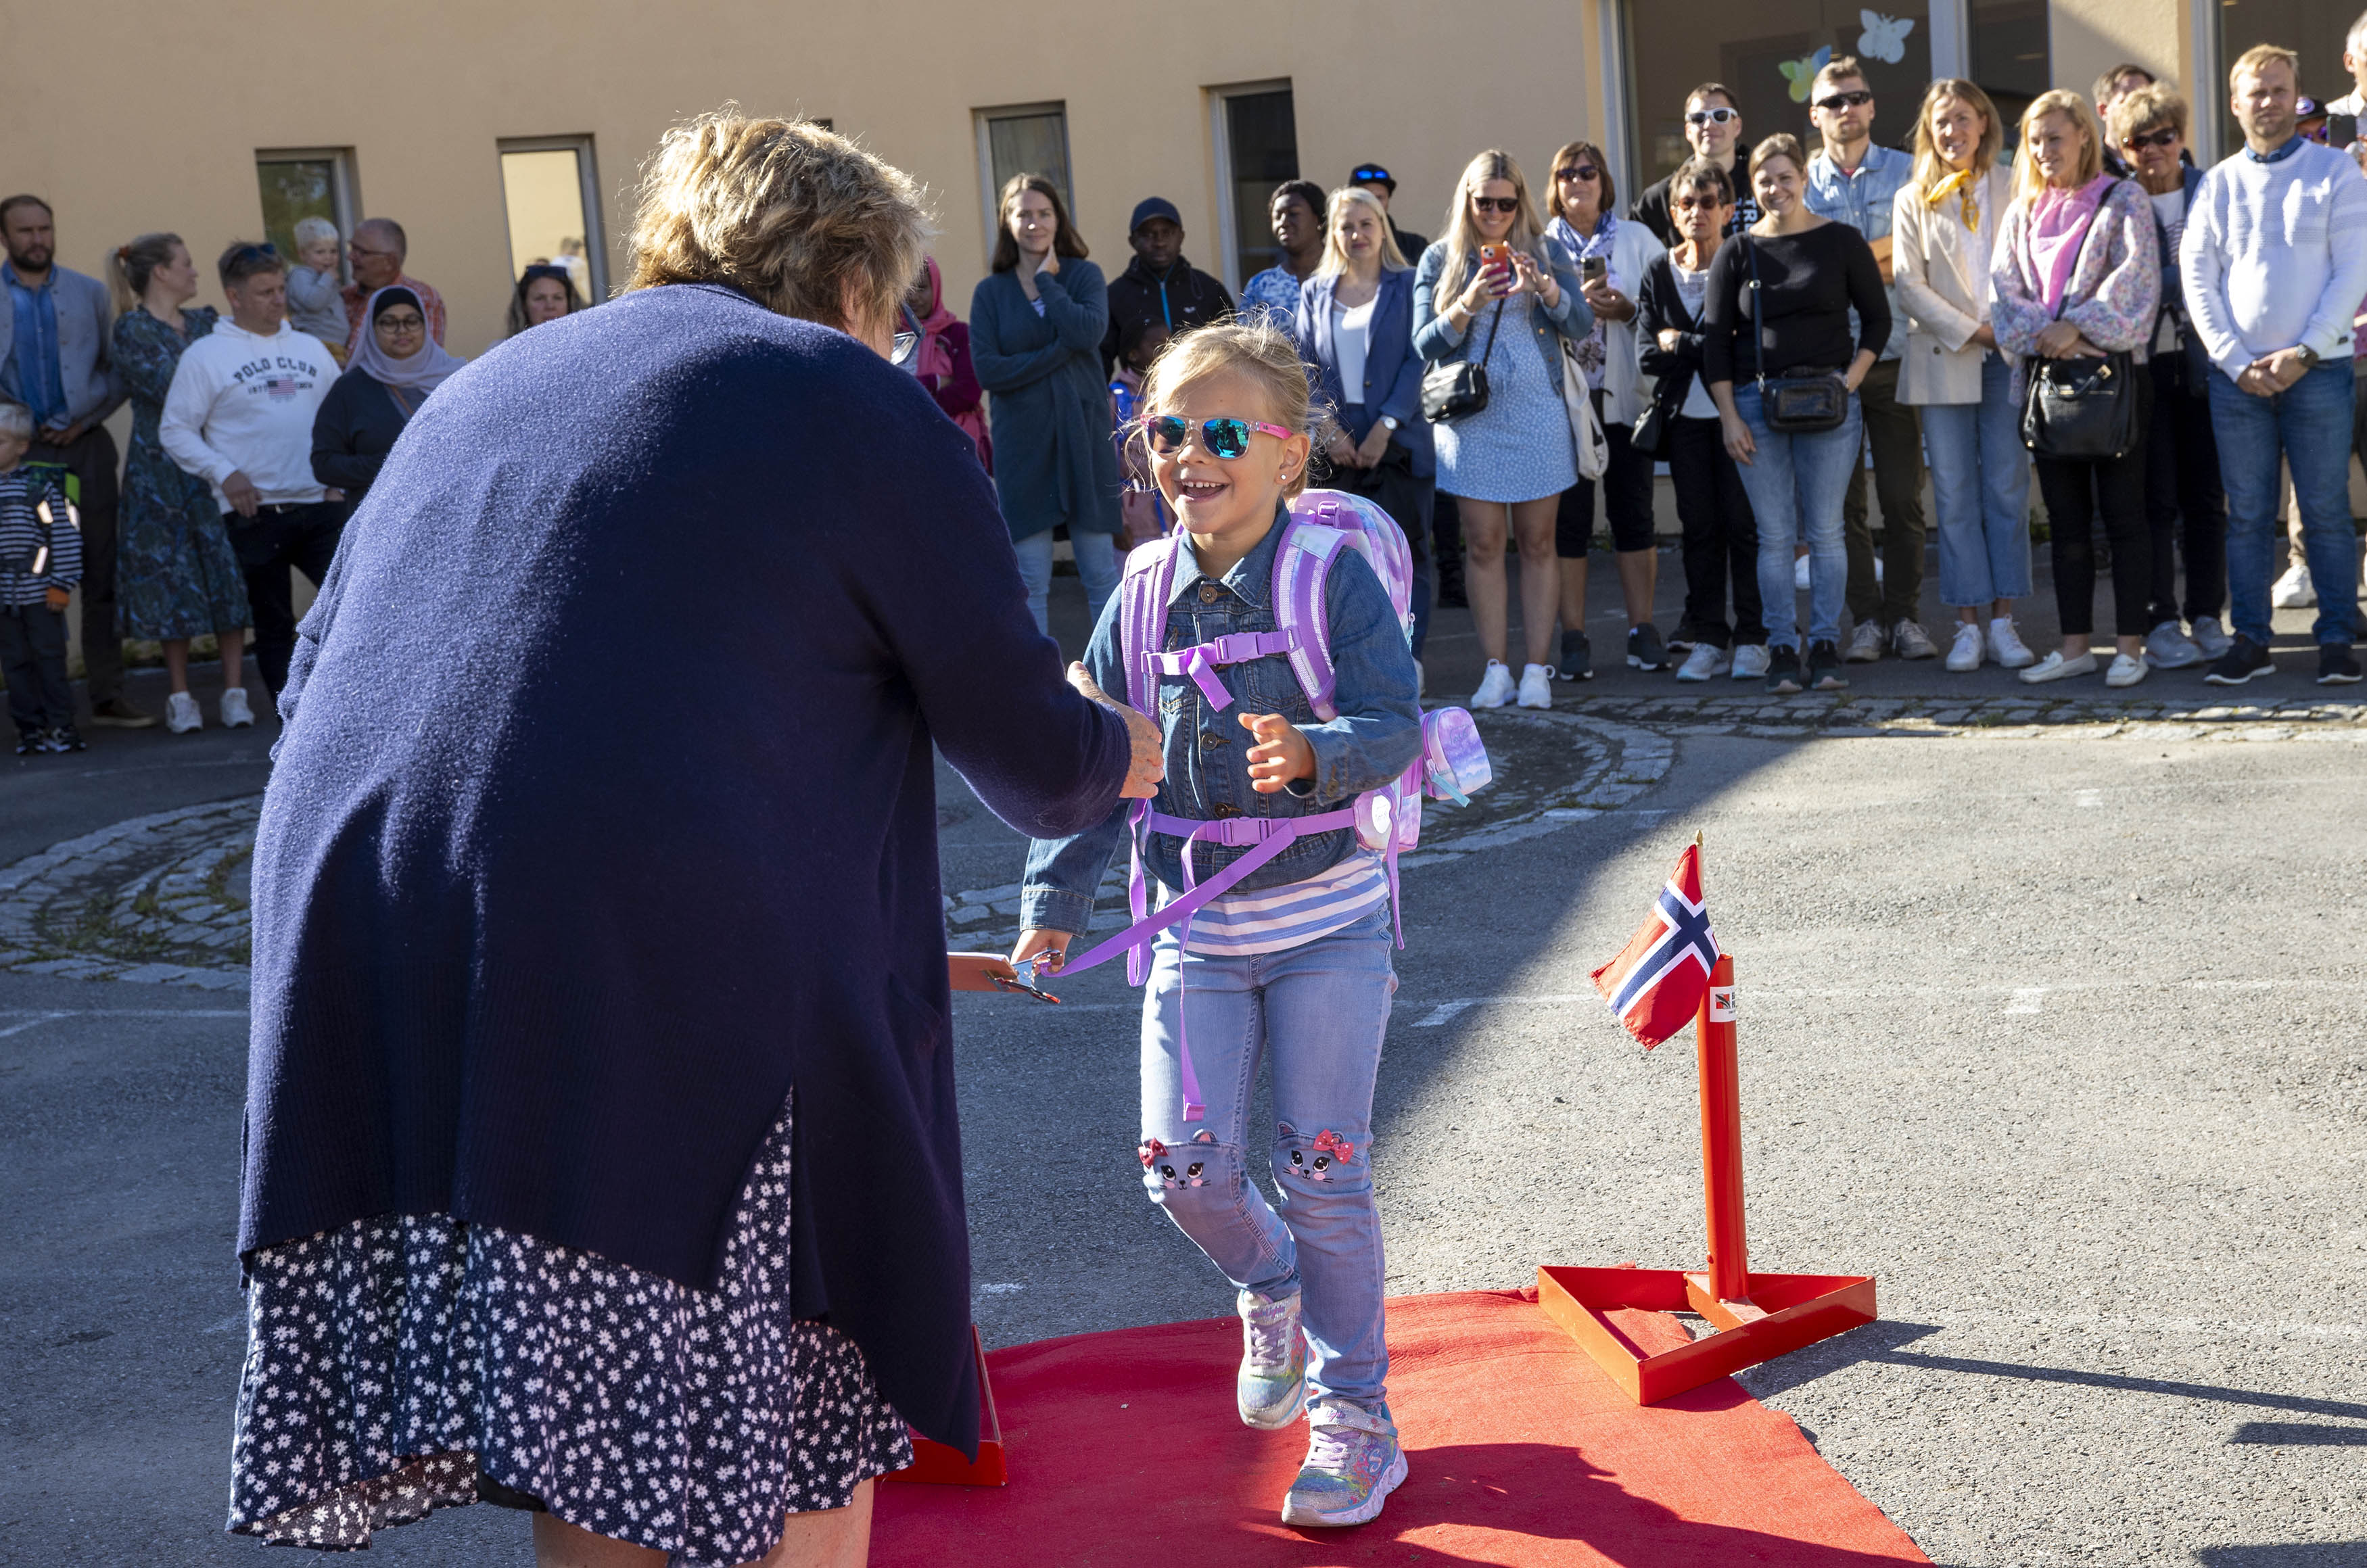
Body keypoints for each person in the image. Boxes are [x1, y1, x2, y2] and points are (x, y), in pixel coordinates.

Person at [229, 110, 1160, 1568]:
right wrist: (1127, 739)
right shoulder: (839, 394)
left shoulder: (492, 384)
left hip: (385, 956)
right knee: (797, 1371)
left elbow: (340, 687)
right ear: (854, 281)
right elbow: (1040, 761)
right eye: (898, 310)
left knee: (589, 1402)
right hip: (653, 953)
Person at [1012, 320, 1422, 1532]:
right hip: (1189, 932)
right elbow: (1096, 764)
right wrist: (1053, 907)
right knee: (1182, 1171)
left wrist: (1318, 755)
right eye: (1169, 430)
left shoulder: (1328, 578)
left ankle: (1358, 1418)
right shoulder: (1134, 596)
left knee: (1325, 1173)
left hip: (1330, 921)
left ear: (1291, 457)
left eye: (1225, 431)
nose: (1193, 452)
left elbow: (1398, 721)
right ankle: (1270, 1282)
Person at [2184, 45, 2367, 686]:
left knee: (2324, 512)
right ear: (2235, 104)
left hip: (2319, 370)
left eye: (2279, 90)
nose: (2268, 102)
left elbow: (2353, 271)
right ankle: (2252, 641)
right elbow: (2199, 280)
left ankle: (2339, 639)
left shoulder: (2337, 174)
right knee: (2250, 514)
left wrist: (2306, 350)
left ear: (2298, 96)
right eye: (2255, 92)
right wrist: (2237, 362)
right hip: (2239, 382)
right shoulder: (2217, 183)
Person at [1704, 134, 1889, 696]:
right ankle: (1783, 647)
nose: (1775, 188)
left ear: (1804, 179)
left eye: (1785, 177)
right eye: (1764, 180)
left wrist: (1850, 378)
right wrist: (1730, 417)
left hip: (1830, 404)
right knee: (1776, 535)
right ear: (1750, 188)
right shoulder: (1736, 251)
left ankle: (1826, 644)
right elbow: (1715, 343)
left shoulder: (1841, 241)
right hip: (1758, 408)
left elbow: (1877, 321)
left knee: (1828, 532)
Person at [1991, 90, 2162, 688]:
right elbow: (2004, 293)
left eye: (2054, 138)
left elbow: (2137, 291)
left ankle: (2131, 649)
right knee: (2065, 522)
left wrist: (2076, 328)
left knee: (2124, 517)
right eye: (2034, 141)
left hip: (2115, 383)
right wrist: (2048, 335)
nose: (2042, 152)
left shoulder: (2125, 200)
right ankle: (2073, 647)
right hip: (2049, 385)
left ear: (2085, 137)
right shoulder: (2021, 212)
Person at [1414, 150, 1592, 710]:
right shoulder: (1441, 259)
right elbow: (1423, 343)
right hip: (1473, 419)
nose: (1494, 213)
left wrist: (1547, 289)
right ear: (1467, 202)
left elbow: (1582, 323)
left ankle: (1537, 669)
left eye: (1505, 203)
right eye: (1483, 202)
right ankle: (1496, 669)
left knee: (1540, 543)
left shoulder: (1548, 251)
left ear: (1521, 203)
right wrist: (1467, 303)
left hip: (1538, 410)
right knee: (1485, 544)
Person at [1892, 78, 2036, 674]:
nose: (1952, 132)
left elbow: (2033, 265)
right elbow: (1908, 284)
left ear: (1984, 123)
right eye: (1941, 122)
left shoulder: (2015, 185)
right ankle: (1968, 625)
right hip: (1946, 357)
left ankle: (2005, 622)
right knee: (1953, 496)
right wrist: (1973, 330)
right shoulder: (1913, 198)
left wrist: (2007, 328)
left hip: (2008, 357)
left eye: (1962, 119)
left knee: (2007, 488)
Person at [159, 242, 337, 707]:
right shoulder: (206, 355)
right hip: (255, 511)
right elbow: (175, 430)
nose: (278, 300)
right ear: (234, 296)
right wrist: (225, 473)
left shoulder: (311, 348)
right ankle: (291, 726)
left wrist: (340, 477)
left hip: (321, 505)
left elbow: (339, 417)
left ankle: (349, 709)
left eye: (281, 289)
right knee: (275, 624)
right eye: (265, 292)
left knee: (352, 608)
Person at [1802, 57, 1933, 663]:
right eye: (1833, 102)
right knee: (1842, 506)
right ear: (1815, 114)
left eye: (1856, 98)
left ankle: (1905, 617)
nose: (1845, 110)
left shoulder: (1911, 173)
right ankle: (1867, 621)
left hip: (1901, 356)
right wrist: (1874, 262)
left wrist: (1847, 261)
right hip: (1832, 367)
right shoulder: (1799, 187)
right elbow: (1803, 275)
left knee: (1904, 498)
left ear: (1874, 107)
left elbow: (1918, 261)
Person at [0, 194, 145, 727]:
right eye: (24, 231)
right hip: (17, 461)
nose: (37, 239)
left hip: (85, 449)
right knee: (25, 576)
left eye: (45, 228)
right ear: (5, 237)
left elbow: (118, 368)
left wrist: (83, 420)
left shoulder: (87, 293)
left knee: (99, 570)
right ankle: (41, 706)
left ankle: (107, 694)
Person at [109, 233, 254, 734]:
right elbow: (178, 386)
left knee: (225, 570)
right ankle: (180, 696)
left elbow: (234, 375)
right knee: (172, 579)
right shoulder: (131, 331)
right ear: (161, 273)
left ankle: (236, 692)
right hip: (159, 472)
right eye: (187, 264)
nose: (195, 273)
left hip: (215, 462)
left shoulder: (208, 323)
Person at [970, 174, 1124, 634]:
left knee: (1100, 574)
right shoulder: (990, 293)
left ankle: (1113, 689)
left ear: (1058, 220)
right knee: (1030, 581)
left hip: (1085, 440)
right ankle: (1040, 698)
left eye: (1044, 213)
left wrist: (1048, 284)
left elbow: (1088, 334)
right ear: (1007, 222)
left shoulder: (1083, 275)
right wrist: (1059, 353)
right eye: (1023, 214)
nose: (1034, 223)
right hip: (1024, 449)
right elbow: (990, 372)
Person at [2111, 84, 2231, 671]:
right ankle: (2162, 619)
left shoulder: (2212, 190)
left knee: (2206, 496)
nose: (2156, 149)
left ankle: (2207, 613)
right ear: (2124, 149)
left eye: (2166, 136)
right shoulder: (2118, 201)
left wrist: (2164, 280)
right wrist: (2176, 278)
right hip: (2143, 367)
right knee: (2155, 499)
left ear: (2182, 137)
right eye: (2141, 141)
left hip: (2207, 364)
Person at [1637, 158, 1766, 682]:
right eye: (1687, 204)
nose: (1697, 213)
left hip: (1741, 419)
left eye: (1708, 202)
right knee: (1699, 530)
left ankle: (1754, 636)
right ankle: (1710, 637)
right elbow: (1649, 353)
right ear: (1673, 212)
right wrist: (1710, 345)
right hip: (1686, 422)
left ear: (1729, 210)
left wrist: (1684, 342)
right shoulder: (1657, 271)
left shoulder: (1743, 263)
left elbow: (1746, 348)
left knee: (1745, 527)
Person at [1543, 139, 1668, 678]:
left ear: (1604, 180)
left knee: (1633, 515)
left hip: (1624, 396)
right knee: (1569, 524)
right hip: (1565, 403)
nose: (1578, 181)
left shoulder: (1638, 238)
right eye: (1567, 173)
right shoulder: (1541, 243)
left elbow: (1667, 312)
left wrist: (1630, 309)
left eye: (1587, 171)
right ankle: (1574, 638)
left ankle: (1642, 630)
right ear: (1554, 185)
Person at [1298, 183, 1434, 663]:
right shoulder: (1315, 291)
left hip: (1397, 442)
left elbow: (1420, 358)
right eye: (1346, 225)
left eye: (1366, 224)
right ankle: (1356, 663)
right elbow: (1303, 364)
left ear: (1383, 228)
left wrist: (1388, 424)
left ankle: (1406, 661)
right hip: (1337, 448)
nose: (1357, 233)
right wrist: (1329, 429)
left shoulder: (1409, 282)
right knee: (1342, 557)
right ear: (1333, 233)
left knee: (1405, 554)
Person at [311, 286, 466, 513]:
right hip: (381, 524)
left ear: (425, 325)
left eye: (412, 321)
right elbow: (324, 465)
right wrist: (390, 464)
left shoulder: (456, 379)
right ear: (372, 330)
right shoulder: (350, 389)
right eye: (389, 322)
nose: (402, 331)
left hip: (454, 515)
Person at [0, 402, 84, 754]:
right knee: (15, 665)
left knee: (50, 661)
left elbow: (63, 534)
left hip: (42, 595)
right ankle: (29, 731)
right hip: (4, 600)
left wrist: (61, 583)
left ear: (21, 446)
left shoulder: (40, 488)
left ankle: (62, 727)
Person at [1102, 197, 1233, 374]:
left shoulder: (1208, 288)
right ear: (1132, 241)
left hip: (1205, 394)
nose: (1159, 242)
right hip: (1142, 399)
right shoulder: (1115, 295)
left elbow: (1233, 348)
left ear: (1181, 236)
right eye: (1148, 234)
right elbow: (1102, 361)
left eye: (1167, 233)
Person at [1631, 82, 1762, 247]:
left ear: (1737, 126)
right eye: (1698, 118)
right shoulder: (1667, 193)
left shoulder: (1762, 183)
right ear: (1688, 131)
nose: (1709, 125)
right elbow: (1626, 242)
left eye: (1720, 116)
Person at [904, 256, 989, 470]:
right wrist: (937, 381)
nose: (914, 297)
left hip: (958, 445)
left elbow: (969, 392)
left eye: (922, 288)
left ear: (937, 288)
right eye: (907, 289)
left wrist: (914, 402)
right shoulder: (890, 337)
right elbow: (885, 390)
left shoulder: (958, 334)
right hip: (907, 445)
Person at [341, 218, 446, 354]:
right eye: (352, 248)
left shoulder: (422, 298)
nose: (350, 257)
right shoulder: (344, 297)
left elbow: (423, 363)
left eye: (361, 252)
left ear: (390, 261)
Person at [1242, 181, 1327, 328]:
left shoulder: (1345, 275)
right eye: (1277, 216)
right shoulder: (1261, 285)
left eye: (1293, 214)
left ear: (1318, 218)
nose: (1284, 223)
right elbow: (1244, 343)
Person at [285, 217, 349, 350]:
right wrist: (327, 279)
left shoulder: (324, 277)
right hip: (318, 343)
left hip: (336, 345)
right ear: (302, 254)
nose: (328, 257)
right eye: (320, 252)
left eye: (333, 251)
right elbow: (313, 303)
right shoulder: (300, 275)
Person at [1350, 163, 1429, 261]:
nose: (1374, 204)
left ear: (1388, 201)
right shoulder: (1344, 244)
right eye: (1367, 198)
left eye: (1380, 198)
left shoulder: (1415, 246)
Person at [2094, 63, 2158, 174]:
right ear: (2103, 110)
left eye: (2145, 101)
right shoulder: (2087, 164)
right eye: (2127, 102)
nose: (2138, 110)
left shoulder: (2169, 157)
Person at [504, 262, 585, 335]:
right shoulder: (504, 349)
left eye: (558, 298)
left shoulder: (588, 347)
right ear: (523, 305)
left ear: (570, 303)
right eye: (539, 298)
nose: (550, 306)